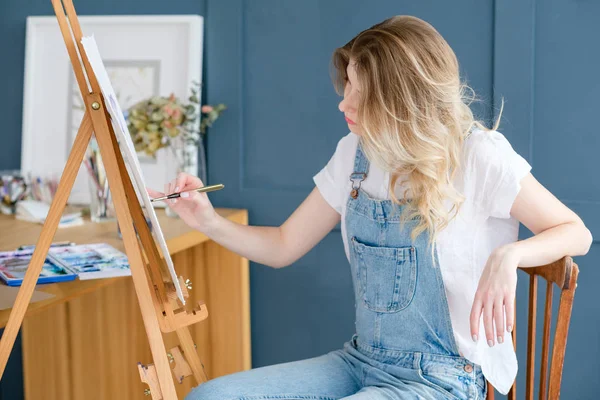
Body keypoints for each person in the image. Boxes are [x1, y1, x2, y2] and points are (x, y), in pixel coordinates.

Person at [148, 15, 592, 400]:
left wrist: (509, 255)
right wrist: (205, 218)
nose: (344, 103)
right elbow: (283, 245)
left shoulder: (478, 157)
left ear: (403, 100)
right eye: (348, 88)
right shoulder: (355, 155)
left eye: (360, 94)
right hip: (360, 361)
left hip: (441, 381)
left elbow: (576, 232)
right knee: (208, 395)